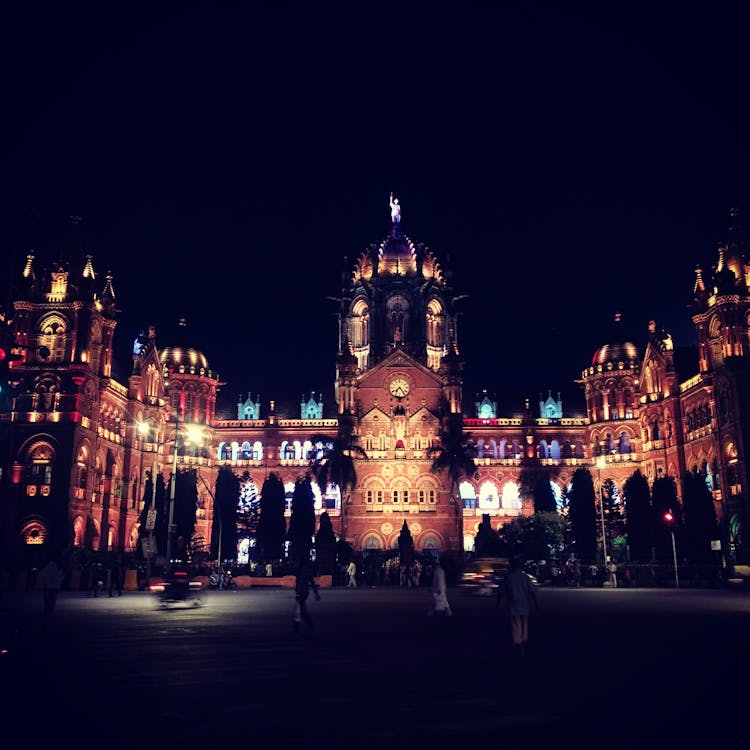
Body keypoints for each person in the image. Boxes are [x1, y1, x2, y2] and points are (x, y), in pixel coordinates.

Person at [497, 555, 538, 658]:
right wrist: (536, 604)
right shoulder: (525, 577)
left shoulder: (508, 577)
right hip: (524, 604)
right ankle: (523, 641)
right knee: (524, 624)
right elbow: (532, 591)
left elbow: (501, 591)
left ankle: (518, 643)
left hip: (514, 604)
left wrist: (497, 603)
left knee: (516, 625)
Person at [293, 560, 321, 633]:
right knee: (299, 609)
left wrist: (297, 592)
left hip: (301, 592)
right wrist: (316, 593)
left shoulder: (299, 572)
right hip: (305, 592)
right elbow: (312, 583)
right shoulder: (307, 572)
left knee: (300, 610)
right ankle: (300, 625)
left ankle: (305, 625)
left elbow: (298, 583)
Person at [40, 555, 65, 627]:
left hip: (50, 588)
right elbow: (57, 577)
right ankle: (47, 619)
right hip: (52, 588)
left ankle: (47, 619)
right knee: (50, 604)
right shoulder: (53, 567)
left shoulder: (51, 566)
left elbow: (44, 574)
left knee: (49, 604)